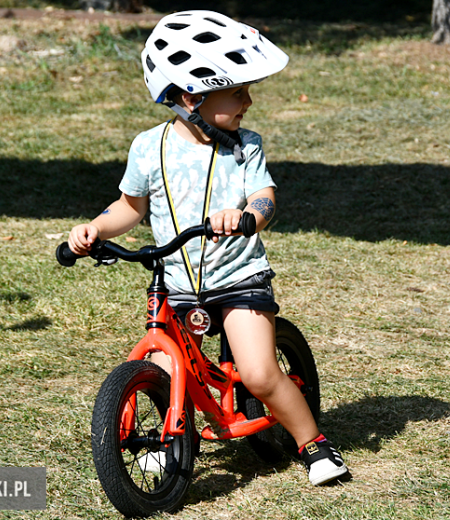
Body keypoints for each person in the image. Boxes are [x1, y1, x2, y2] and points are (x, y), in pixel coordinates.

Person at [67, 10, 348, 486]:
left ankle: (314, 444)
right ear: (192, 96)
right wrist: (95, 229)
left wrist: (246, 217)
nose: (248, 101)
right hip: (177, 282)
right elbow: (129, 207)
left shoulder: (245, 148)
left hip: (238, 280)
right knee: (159, 366)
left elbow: (264, 197)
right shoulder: (148, 147)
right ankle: (165, 439)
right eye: (237, 91)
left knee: (258, 374)